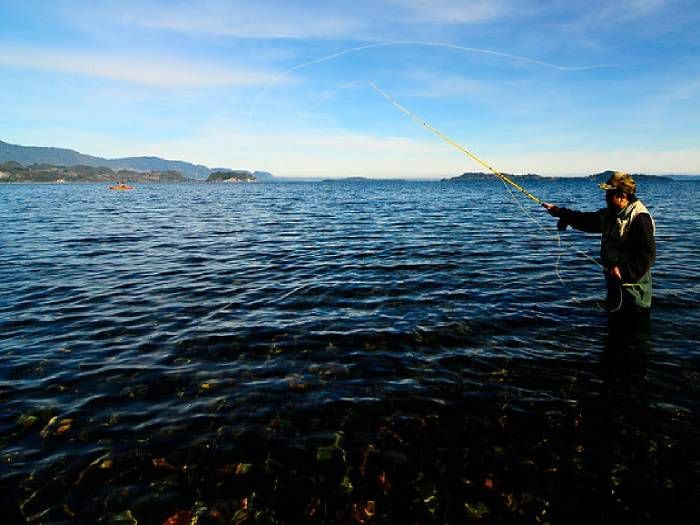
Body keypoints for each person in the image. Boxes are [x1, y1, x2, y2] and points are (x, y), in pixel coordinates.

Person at [542, 172, 656, 314]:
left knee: (633, 331)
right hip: (615, 286)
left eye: (609, 194)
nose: (605, 197)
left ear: (622, 196)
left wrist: (623, 271)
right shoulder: (613, 213)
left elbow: (648, 256)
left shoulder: (640, 218)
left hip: (634, 293)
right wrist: (561, 213)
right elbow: (588, 220)